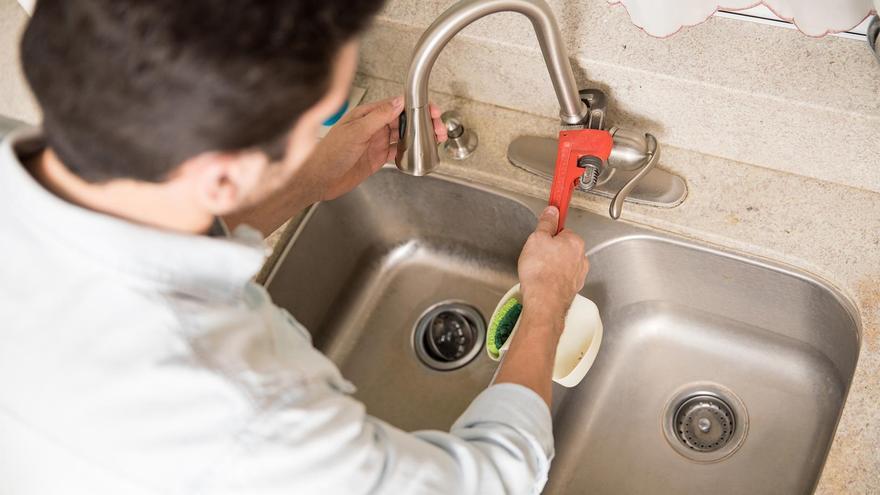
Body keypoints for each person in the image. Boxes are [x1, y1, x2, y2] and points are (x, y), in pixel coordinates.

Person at [0, 1, 589, 494]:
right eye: (309, 128)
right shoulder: (243, 411)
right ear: (222, 176)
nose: (313, 139)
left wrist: (302, 178)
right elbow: (489, 480)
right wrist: (546, 308)